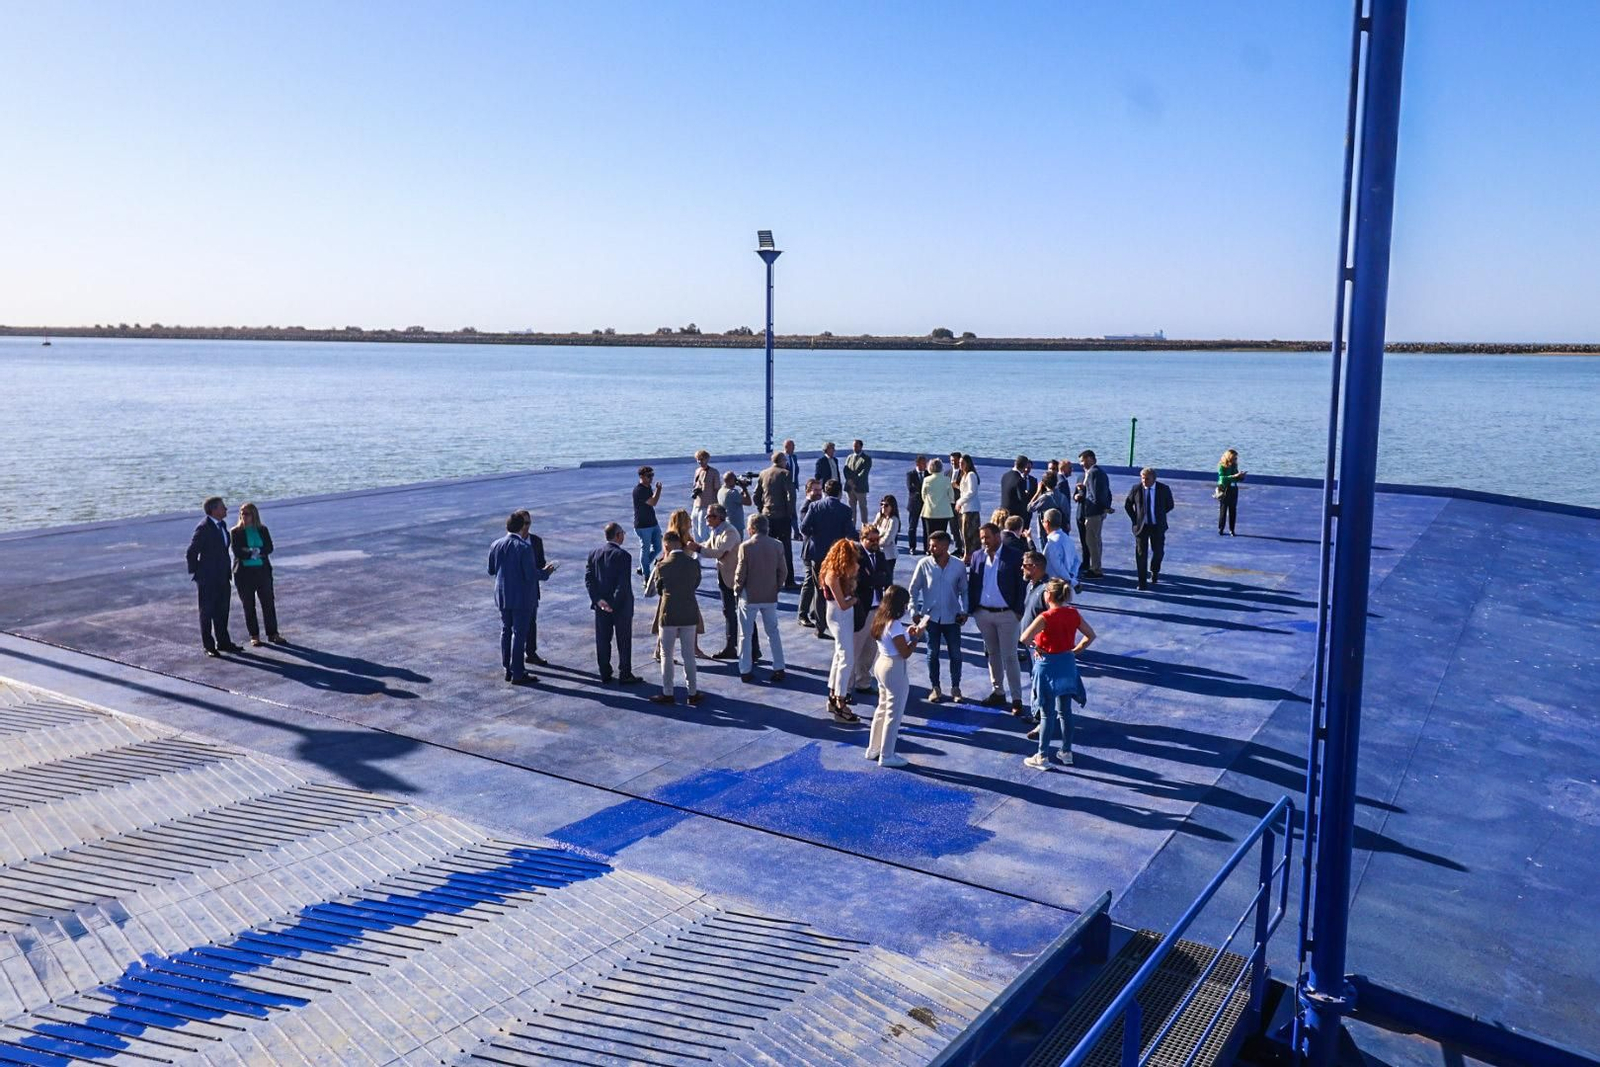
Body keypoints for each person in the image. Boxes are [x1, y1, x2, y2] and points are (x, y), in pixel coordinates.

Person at [1019, 579, 1095, 769]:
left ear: (1049, 595)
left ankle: (1042, 756)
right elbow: (1090, 636)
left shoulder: (1045, 617)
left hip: (1048, 666)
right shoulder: (1073, 613)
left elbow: (1024, 638)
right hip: (1067, 665)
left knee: (1046, 713)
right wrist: (1073, 652)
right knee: (1065, 711)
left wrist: (1037, 647)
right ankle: (1067, 751)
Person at [968, 522, 1027, 716]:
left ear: (997, 536)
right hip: (984, 614)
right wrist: (974, 610)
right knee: (992, 654)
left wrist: (1018, 611)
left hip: (1007, 615)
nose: (984, 541)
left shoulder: (1014, 556)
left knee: (1010, 657)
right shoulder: (977, 556)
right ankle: (998, 691)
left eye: (987, 537)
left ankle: (1016, 699)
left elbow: (1021, 586)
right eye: (982, 537)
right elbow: (974, 583)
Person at [488, 509, 549, 685]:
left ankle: (507, 667)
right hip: (522, 597)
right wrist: (546, 573)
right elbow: (531, 575)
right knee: (519, 633)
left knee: (506, 630)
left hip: (502, 595)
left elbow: (491, 570)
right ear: (521, 526)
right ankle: (518, 672)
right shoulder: (524, 547)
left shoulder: (496, 544)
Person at [864, 585, 922, 769]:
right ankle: (887, 754)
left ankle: (874, 748)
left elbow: (896, 640)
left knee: (882, 708)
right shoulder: (895, 624)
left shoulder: (881, 619)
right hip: (894, 667)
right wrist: (915, 639)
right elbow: (904, 653)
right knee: (893, 713)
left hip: (881, 664)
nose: (906, 608)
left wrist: (908, 634)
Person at [908, 530, 968, 704]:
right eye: (930, 545)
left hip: (952, 618)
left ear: (945, 546)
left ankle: (956, 687)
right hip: (931, 618)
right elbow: (913, 589)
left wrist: (964, 611)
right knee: (932, 653)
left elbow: (964, 590)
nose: (930, 548)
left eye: (934, 545)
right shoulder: (923, 564)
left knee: (955, 654)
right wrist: (914, 611)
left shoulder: (958, 566)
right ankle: (935, 687)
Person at [648, 532, 704, 706]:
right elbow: (696, 583)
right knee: (689, 655)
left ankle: (668, 692)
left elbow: (658, 589)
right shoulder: (693, 563)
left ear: (666, 546)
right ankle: (692, 692)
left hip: (669, 614)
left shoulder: (662, 566)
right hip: (689, 611)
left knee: (666, 654)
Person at [799, 479, 858, 638]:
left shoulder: (814, 506)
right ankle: (838, 623)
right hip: (836, 556)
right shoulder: (845, 510)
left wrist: (816, 534)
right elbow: (850, 533)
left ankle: (820, 627)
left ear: (825, 491)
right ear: (839, 493)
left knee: (819, 590)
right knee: (838, 588)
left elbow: (803, 528)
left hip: (817, 554)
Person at [586, 523, 643, 684]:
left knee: (603, 640)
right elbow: (622, 584)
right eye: (622, 533)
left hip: (601, 606)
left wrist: (598, 600)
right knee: (624, 641)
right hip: (621, 607)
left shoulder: (594, 554)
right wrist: (613, 604)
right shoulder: (623, 556)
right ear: (618, 536)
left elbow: (589, 580)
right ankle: (625, 673)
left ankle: (605, 672)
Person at [187, 496, 242, 656]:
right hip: (208, 579)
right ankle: (208, 645)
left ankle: (223, 641)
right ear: (214, 510)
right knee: (207, 612)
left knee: (222, 610)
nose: (226, 509)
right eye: (222, 507)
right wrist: (199, 572)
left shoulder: (222, 525)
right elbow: (191, 552)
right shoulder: (204, 528)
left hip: (222, 576)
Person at [735, 515, 787, 683]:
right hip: (770, 595)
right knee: (773, 632)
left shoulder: (746, 546)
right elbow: (783, 571)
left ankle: (745, 669)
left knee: (745, 634)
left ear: (752, 529)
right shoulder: (777, 545)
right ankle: (779, 667)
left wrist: (737, 588)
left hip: (749, 596)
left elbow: (741, 572)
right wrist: (776, 587)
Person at [817, 538, 862, 722]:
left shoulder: (839, 572)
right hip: (838, 614)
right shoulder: (833, 575)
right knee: (846, 657)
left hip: (842, 614)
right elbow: (843, 604)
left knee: (839, 655)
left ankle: (833, 695)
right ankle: (840, 701)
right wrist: (854, 600)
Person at [230, 502, 283, 647]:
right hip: (244, 574)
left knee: (268, 603)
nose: (243, 516)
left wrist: (253, 551)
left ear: (254, 515)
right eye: (241, 512)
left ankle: (273, 633)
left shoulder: (262, 529)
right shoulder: (235, 532)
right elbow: (238, 552)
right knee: (248, 605)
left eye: (246, 513)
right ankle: (254, 635)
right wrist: (254, 552)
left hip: (262, 572)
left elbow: (269, 547)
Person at [848, 523, 890, 696]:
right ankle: (846, 689)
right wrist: (875, 578)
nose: (874, 542)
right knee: (854, 650)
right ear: (862, 539)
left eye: (876, 539)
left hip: (877, 608)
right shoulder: (856, 558)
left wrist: (874, 579)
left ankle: (863, 682)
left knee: (870, 650)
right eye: (870, 539)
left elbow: (887, 577)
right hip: (861, 609)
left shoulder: (880, 556)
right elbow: (861, 581)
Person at [699, 504, 745, 660]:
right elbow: (708, 545)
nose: (706, 518)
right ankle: (731, 646)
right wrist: (694, 546)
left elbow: (719, 552)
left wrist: (697, 550)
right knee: (729, 612)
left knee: (743, 613)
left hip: (735, 578)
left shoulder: (729, 532)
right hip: (724, 576)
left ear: (719, 518)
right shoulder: (716, 530)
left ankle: (751, 647)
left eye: (710, 516)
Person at [1123, 467, 1176, 589]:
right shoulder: (1136, 489)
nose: (1144, 481)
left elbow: (1170, 505)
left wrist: (1159, 515)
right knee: (1141, 554)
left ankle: (1154, 571)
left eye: (1147, 479)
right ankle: (1142, 582)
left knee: (1158, 552)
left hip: (1157, 526)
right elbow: (1127, 505)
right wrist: (1135, 519)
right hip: (1142, 527)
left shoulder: (1163, 489)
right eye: (1142, 478)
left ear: (1154, 479)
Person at [753, 450, 797, 591]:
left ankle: (769, 580)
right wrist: (790, 513)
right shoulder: (785, 474)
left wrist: (762, 508)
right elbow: (791, 496)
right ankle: (789, 580)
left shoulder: (763, 473)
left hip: (767, 516)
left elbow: (756, 495)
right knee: (785, 550)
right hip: (782, 516)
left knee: (768, 549)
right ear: (783, 461)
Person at [1074, 450, 1113, 578]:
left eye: (1083, 460)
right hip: (1098, 512)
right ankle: (1096, 566)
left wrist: (1096, 508)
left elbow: (1095, 495)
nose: (1081, 464)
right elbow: (1106, 493)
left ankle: (1095, 569)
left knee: (1092, 541)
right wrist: (1106, 508)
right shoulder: (1101, 473)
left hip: (1093, 513)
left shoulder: (1093, 473)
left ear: (1090, 459)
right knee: (1096, 540)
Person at [524, 520, 553, 667]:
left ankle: (530, 652)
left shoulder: (536, 541)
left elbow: (540, 562)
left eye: (529, 522)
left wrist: (545, 570)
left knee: (531, 622)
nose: (527, 526)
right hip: (518, 591)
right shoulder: (511, 543)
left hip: (532, 590)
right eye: (524, 522)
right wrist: (542, 574)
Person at [632, 466, 664, 580]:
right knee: (645, 549)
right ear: (641, 476)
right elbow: (653, 502)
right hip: (643, 525)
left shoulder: (648, 487)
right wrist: (659, 490)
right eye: (649, 476)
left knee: (658, 547)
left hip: (653, 523)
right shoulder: (639, 490)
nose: (651, 478)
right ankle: (647, 575)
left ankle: (642, 567)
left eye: (652, 475)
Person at [1042, 508, 1082, 591]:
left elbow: (1058, 566)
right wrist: (1072, 575)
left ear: (1047, 523)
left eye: (1043, 521)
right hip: (1065, 586)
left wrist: (1070, 580)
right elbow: (1077, 560)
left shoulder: (1052, 544)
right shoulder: (1067, 539)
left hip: (1055, 587)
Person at [920, 458, 956, 543]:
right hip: (943, 512)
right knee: (941, 534)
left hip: (929, 512)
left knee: (930, 534)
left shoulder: (927, 480)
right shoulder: (946, 480)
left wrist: (928, 502)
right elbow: (951, 496)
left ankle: (929, 550)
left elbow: (923, 495)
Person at [690, 450, 720, 542]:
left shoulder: (714, 472)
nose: (700, 462)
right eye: (698, 460)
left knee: (703, 529)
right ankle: (698, 548)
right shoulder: (697, 471)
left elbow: (717, 489)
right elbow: (695, 485)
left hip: (707, 505)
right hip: (697, 504)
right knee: (694, 527)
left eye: (702, 459)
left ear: (707, 459)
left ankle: (705, 549)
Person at [955, 455, 982, 558]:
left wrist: (959, 502)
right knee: (965, 533)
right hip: (965, 509)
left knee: (970, 534)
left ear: (968, 463)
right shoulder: (964, 475)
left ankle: (969, 555)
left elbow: (971, 491)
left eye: (963, 463)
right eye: (960, 463)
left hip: (971, 509)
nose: (960, 465)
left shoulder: (971, 475)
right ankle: (968, 554)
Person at [843, 439, 873, 528]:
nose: (854, 448)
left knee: (862, 507)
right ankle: (852, 526)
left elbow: (863, 473)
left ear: (861, 447)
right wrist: (849, 481)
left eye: (856, 446)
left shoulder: (866, 459)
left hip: (860, 487)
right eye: (853, 446)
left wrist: (854, 482)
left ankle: (865, 526)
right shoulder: (849, 457)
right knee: (851, 508)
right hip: (849, 488)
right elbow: (846, 470)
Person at [1217, 449, 1247, 536]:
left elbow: (1236, 478)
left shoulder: (1234, 466)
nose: (1236, 460)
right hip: (1224, 489)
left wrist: (1241, 477)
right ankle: (1221, 528)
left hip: (1233, 489)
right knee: (1223, 509)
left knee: (1233, 510)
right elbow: (1222, 478)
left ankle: (1232, 529)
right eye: (1234, 458)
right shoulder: (1222, 466)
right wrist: (1234, 476)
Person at [1000, 456, 1036, 524]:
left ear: (1015, 463)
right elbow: (1022, 499)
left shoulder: (1005, 476)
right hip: (1015, 516)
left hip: (1003, 512)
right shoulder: (1019, 480)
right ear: (1025, 466)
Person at [904, 455, 929, 555]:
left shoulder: (928, 474)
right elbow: (911, 488)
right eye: (923, 463)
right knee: (912, 527)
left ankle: (926, 548)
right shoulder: (911, 474)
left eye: (925, 463)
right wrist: (922, 491)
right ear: (917, 463)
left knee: (926, 528)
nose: (925, 465)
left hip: (926, 505)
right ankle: (912, 547)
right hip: (914, 504)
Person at [874, 495, 902, 584]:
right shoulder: (879, 516)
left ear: (892, 507)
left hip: (888, 556)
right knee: (876, 580)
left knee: (887, 581)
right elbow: (872, 530)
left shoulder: (894, 520)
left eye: (886, 505)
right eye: (881, 504)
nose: (883, 507)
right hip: (877, 553)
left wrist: (873, 543)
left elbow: (887, 540)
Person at [718, 470, 751, 536]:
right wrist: (744, 488)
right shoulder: (732, 492)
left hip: (727, 523)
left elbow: (737, 500)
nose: (736, 481)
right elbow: (748, 502)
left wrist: (742, 490)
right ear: (731, 480)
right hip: (736, 525)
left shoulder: (721, 491)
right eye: (735, 479)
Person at [781, 439, 803, 539]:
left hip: (793, 486)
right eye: (792, 446)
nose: (794, 448)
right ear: (786, 447)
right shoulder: (781, 458)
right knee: (789, 510)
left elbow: (795, 471)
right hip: (784, 488)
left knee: (792, 510)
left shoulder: (794, 457)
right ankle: (795, 532)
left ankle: (795, 532)